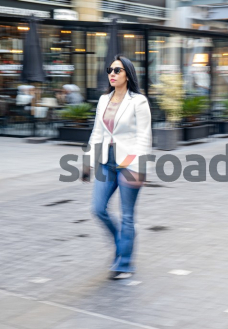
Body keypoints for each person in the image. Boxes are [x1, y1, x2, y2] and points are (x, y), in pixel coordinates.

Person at [83, 55, 152, 280]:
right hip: (106, 161)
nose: (112, 74)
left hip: (129, 163)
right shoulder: (104, 100)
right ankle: (121, 241)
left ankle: (124, 263)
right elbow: (97, 132)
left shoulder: (138, 101)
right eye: (110, 70)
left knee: (127, 216)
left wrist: (137, 165)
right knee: (98, 209)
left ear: (128, 75)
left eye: (117, 70)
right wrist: (88, 161)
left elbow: (144, 137)